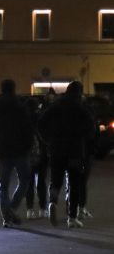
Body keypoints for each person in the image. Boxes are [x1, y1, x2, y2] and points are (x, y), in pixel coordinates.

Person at [38, 81, 95, 229]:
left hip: (56, 150)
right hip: (75, 151)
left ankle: (52, 202)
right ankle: (72, 218)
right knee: (74, 183)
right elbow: (91, 126)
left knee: (56, 180)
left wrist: (48, 140)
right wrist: (81, 136)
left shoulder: (55, 106)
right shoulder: (79, 107)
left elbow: (41, 123)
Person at [0, 79, 33, 227]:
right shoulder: (20, 106)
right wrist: (28, 147)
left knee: (3, 185)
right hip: (20, 151)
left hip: (1, 152)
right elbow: (28, 130)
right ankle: (12, 207)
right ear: (14, 89)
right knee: (25, 181)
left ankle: (6, 217)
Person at [24, 97, 48, 219]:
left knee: (29, 183)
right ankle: (43, 209)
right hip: (41, 155)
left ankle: (30, 210)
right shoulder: (41, 118)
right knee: (41, 182)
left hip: (27, 155)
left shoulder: (24, 120)